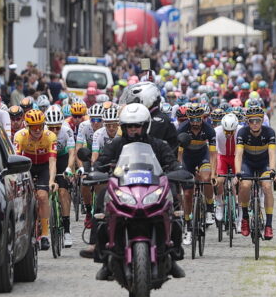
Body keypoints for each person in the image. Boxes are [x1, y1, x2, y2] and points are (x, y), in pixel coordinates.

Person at [92, 103, 185, 280]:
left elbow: (171, 161)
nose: (133, 130)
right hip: (124, 188)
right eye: (129, 126)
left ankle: (172, 256)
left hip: (151, 189)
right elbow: (101, 161)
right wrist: (95, 170)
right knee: (101, 202)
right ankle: (103, 258)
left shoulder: (158, 144)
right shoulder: (116, 144)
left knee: (174, 209)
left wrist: (177, 168)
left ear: (145, 126)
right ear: (123, 127)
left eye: (137, 126)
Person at [12, 109, 58, 251]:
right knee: (26, 197)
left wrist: (51, 180)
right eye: (34, 127)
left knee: (43, 196)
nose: (37, 130)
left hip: (44, 166)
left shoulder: (50, 136)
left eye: (40, 126)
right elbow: (16, 162)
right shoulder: (20, 136)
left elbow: (52, 162)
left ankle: (45, 235)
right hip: (28, 166)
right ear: (27, 126)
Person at [177, 103, 217, 244]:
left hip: (203, 156)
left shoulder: (209, 130)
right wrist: (179, 169)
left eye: (198, 119)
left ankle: (210, 208)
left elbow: (213, 154)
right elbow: (179, 154)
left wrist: (214, 173)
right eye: (192, 120)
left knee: (206, 177)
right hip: (187, 159)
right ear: (188, 119)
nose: (195, 123)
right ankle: (187, 225)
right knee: (187, 193)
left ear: (202, 118)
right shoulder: (182, 129)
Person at [234, 106, 276, 240]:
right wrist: (237, 172)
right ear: (247, 122)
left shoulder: (269, 132)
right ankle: (245, 217)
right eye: (251, 121)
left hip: (264, 164)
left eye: (258, 121)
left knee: (267, 186)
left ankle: (269, 225)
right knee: (245, 185)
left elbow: (272, 153)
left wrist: (273, 170)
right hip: (248, 164)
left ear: (262, 120)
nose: (255, 124)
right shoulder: (242, 132)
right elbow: (239, 154)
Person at [44, 106, 76, 248]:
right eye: (52, 128)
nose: (55, 131)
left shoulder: (67, 130)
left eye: (57, 127)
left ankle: (67, 230)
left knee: (63, 192)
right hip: (47, 159)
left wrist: (69, 168)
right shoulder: (43, 131)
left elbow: (72, 152)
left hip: (62, 158)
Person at [213, 113, 241, 221]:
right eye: (226, 131)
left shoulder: (240, 130)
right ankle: (219, 203)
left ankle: (239, 206)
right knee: (219, 180)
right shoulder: (217, 131)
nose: (229, 134)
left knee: (239, 181)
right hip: (222, 156)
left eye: (231, 132)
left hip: (235, 156)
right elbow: (214, 153)